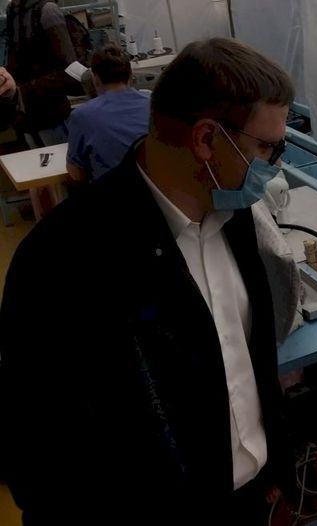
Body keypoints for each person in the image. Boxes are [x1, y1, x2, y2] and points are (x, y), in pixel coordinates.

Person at [0, 37, 296, 525]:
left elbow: (252, 363)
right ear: (206, 140)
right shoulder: (62, 260)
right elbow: (34, 449)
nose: (275, 164)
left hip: (252, 498)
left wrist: (276, 469)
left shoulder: (239, 219)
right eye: (267, 147)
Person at [66, 43, 150, 183]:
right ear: (131, 75)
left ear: (95, 78)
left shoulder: (82, 116)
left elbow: (76, 174)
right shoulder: (156, 104)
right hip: (156, 189)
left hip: (113, 193)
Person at [5, 0, 78, 146]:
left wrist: (22, 92)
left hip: (52, 115)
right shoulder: (13, 10)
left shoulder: (47, 11)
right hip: (25, 116)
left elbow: (69, 70)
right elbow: (16, 59)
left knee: (61, 158)